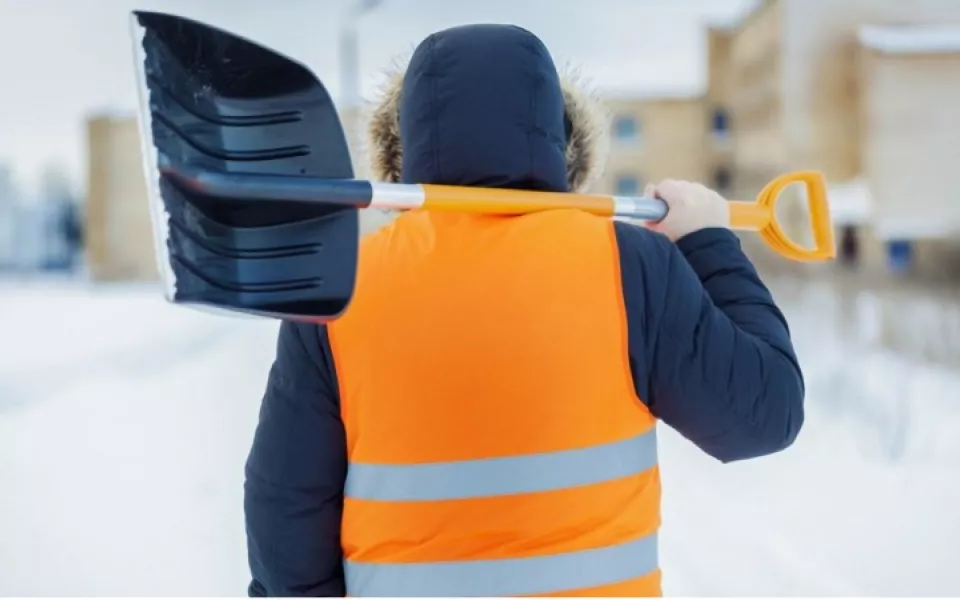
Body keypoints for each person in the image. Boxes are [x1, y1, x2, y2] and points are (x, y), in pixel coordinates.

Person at [244, 24, 804, 598]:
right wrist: (706, 242)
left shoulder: (344, 288)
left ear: (399, 146)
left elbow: (285, 510)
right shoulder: (628, 264)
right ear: (565, 142)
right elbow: (763, 415)